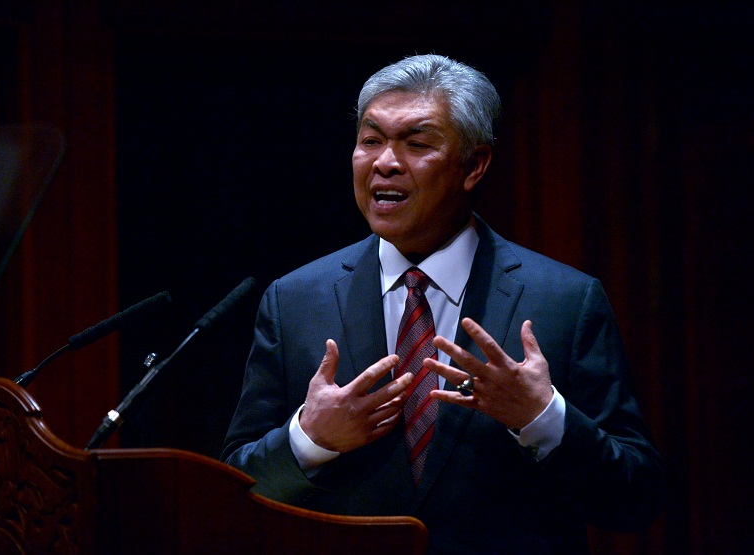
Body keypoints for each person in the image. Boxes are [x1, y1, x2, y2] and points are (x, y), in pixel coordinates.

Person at [222, 54, 665, 554]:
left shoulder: (564, 300)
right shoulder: (295, 300)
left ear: (473, 166)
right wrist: (311, 439)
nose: (384, 161)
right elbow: (236, 491)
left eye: (416, 143)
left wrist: (541, 416)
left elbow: (635, 498)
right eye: (370, 140)